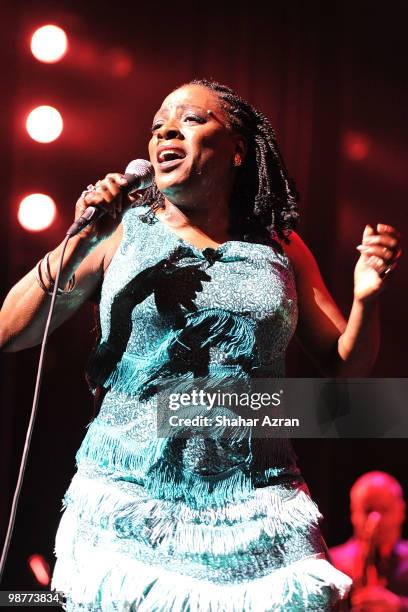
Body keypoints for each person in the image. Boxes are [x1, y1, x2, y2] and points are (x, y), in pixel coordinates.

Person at [0, 78, 402, 610]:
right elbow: (10, 331)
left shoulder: (278, 246)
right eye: (157, 125)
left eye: (190, 118)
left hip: (260, 500)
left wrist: (367, 297)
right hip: (132, 493)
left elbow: (344, 373)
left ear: (237, 149)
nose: (166, 128)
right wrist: (81, 238)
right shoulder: (123, 231)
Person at [330, 471, 408, 611]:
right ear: (353, 513)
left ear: (401, 511)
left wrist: (399, 606)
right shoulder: (331, 564)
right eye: (368, 510)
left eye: (384, 509)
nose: (375, 520)